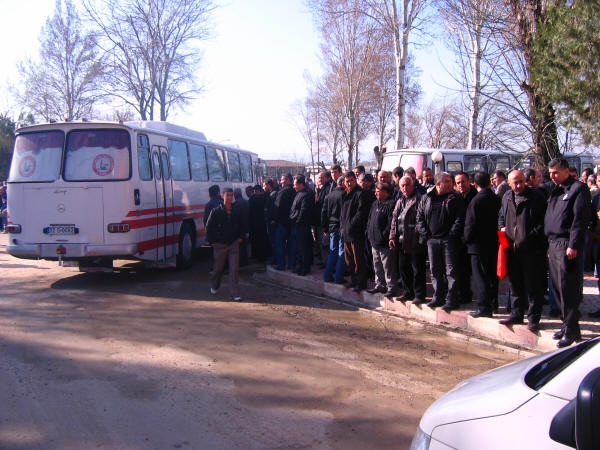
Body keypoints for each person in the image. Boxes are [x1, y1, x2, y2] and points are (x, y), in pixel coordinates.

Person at [545, 157, 591, 347]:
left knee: (568, 288)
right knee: (557, 288)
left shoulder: (578, 189)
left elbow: (579, 220)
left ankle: (572, 329)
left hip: (566, 244)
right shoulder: (557, 190)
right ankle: (566, 324)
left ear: (566, 170)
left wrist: (574, 244)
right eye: (550, 173)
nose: (553, 176)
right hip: (553, 243)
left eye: (556, 172)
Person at [498, 170, 548, 331]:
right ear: (509, 183)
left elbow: (543, 222)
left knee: (533, 285)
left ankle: (533, 318)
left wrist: (529, 237)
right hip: (512, 248)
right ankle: (516, 313)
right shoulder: (507, 197)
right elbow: (501, 215)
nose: (519, 185)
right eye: (516, 182)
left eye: (521, 181)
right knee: (515, 284)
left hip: (532, 249)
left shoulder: (536, 197)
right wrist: (502, 228)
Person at [416, 172, 466, 312]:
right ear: (438, 184)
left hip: (449, 240)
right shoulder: (426, 198)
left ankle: (452, 299)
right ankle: (438, 297)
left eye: (451, 181)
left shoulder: (455, 198)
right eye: (447, 181)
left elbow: (460, 218)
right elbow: (419, 217)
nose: (451, 184)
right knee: (435, 270)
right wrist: (426, 236)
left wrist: (452, 234)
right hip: (432, 240)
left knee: (451, 271)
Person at [464, 172, 501, 318]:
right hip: (493, 242)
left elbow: (470, 224)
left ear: (475, 184)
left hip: (478, 245)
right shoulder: (496, 198)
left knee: (480, 277)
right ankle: (493, 303)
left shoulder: (476, 200)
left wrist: (466, 239)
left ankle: (483, 306)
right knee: (492, 275)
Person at [389, 176, 427, 303]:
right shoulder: (400, 201)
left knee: (417, 269)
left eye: (407, 185)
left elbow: (422, 220)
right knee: (404, 268)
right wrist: (392, 236)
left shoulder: (420, 199)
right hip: (401, 240)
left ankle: (419, 295)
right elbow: (394, 220)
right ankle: (407, 292)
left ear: (413, 185)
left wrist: (419, 236)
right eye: (402, 186)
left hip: (415, 240)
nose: (405, 188)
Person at [206, 188, 247, 301]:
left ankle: (234, 293)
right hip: (220, 244)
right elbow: (209, 227)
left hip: (233, 243)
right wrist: (212, 242)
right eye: (227, 195)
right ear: (222, 196)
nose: (229, 198)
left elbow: (242, 224)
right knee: (218, 268)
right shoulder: (216, 211)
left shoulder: (236, 210)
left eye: (231, 195)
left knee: (234, 269)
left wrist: (240, 237)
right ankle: (215, 285)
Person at [340, 171, 372, 292]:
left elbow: (361, 213)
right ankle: (353, 280)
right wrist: (343, 227)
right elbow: (342, 214)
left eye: (352, 180)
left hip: (356, 232)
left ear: (356, 180)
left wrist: (351, 225)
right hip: (346, 232)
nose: (349, 183)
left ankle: (361, 282)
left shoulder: (360, 193)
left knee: (358, 259)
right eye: (347, 181)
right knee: (349, 259)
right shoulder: (345, 194)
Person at [366, 182, 397, 296]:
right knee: (377, 265)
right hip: (373, 241)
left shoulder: (391, 204)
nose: (376, 193)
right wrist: (368, 232)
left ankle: (391, 287)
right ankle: (380, 284)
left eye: (378, 191)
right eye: (376, 191)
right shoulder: (375, 203)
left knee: (388, 266)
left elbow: (391, 223)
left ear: (385, 192)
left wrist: (383, 236)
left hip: (384, 242)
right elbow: (370, 219)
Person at [454, 172, 477, 305]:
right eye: (458, 183)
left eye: (463, 182)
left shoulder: (475, 196)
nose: (461, 185)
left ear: (469, 182)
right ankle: (464, 295)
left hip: (473, 239)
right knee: (461, 269)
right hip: (459, 238)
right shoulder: (456, 197)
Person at [322, 176, 347, 284]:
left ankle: (327, 275)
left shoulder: (329, 195)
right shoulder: (345, 195)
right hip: (341, 226)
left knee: (333, 251)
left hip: (332, 226)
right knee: (342, 252)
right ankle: (338, 276)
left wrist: (325, 228)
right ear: (343, 183)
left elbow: (324, 213)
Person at [289, 174, 315, 276]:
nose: (294, 186)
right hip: (296, 225)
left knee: (304, 247)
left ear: (301, 184)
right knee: (298, 248)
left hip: (302, 226)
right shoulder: (298, 194)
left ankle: (305, 267)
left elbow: (303, 212)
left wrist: (297, 222)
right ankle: (299, 266)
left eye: (295, 184)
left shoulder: (306, 194)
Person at [274, 174, 296, 271]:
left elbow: (277, 207)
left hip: (282, 222)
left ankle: (281, 265)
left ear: (287, 180)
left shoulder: (282, 191)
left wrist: (275, 220)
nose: (280, 181)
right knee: (291, 245)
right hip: (292, 222)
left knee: (280, 244)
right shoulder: (295, 191)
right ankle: (291, 264)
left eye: (282, 179)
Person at [248, 184, 271, 262]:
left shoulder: (252, 198)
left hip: (255, 223)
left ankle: (259, 256)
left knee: (257, 241)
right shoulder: (265, 197)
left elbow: (250, 212)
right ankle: (265, 255)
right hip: (263, 222)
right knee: (264, 240)